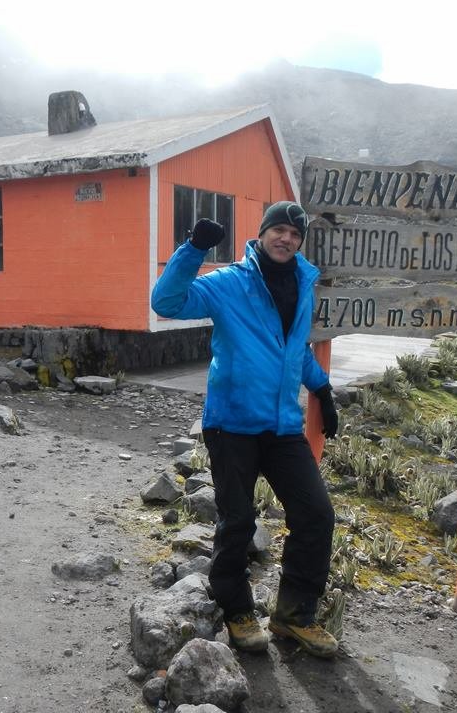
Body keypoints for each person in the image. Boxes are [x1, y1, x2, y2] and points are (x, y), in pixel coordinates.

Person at [151, 201, 340, 657]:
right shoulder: (229, 283)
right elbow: (166, 302)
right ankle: (237, 610)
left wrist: (323, 389)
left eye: (294, 234)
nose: (286, 239)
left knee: (316, 514)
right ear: (261, 234)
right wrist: (193, 249)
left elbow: (292, 350)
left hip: (282, 426)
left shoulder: (302, 283)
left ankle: (294, 616)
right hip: (232, 425)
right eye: (278, 229)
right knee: (238, 521)